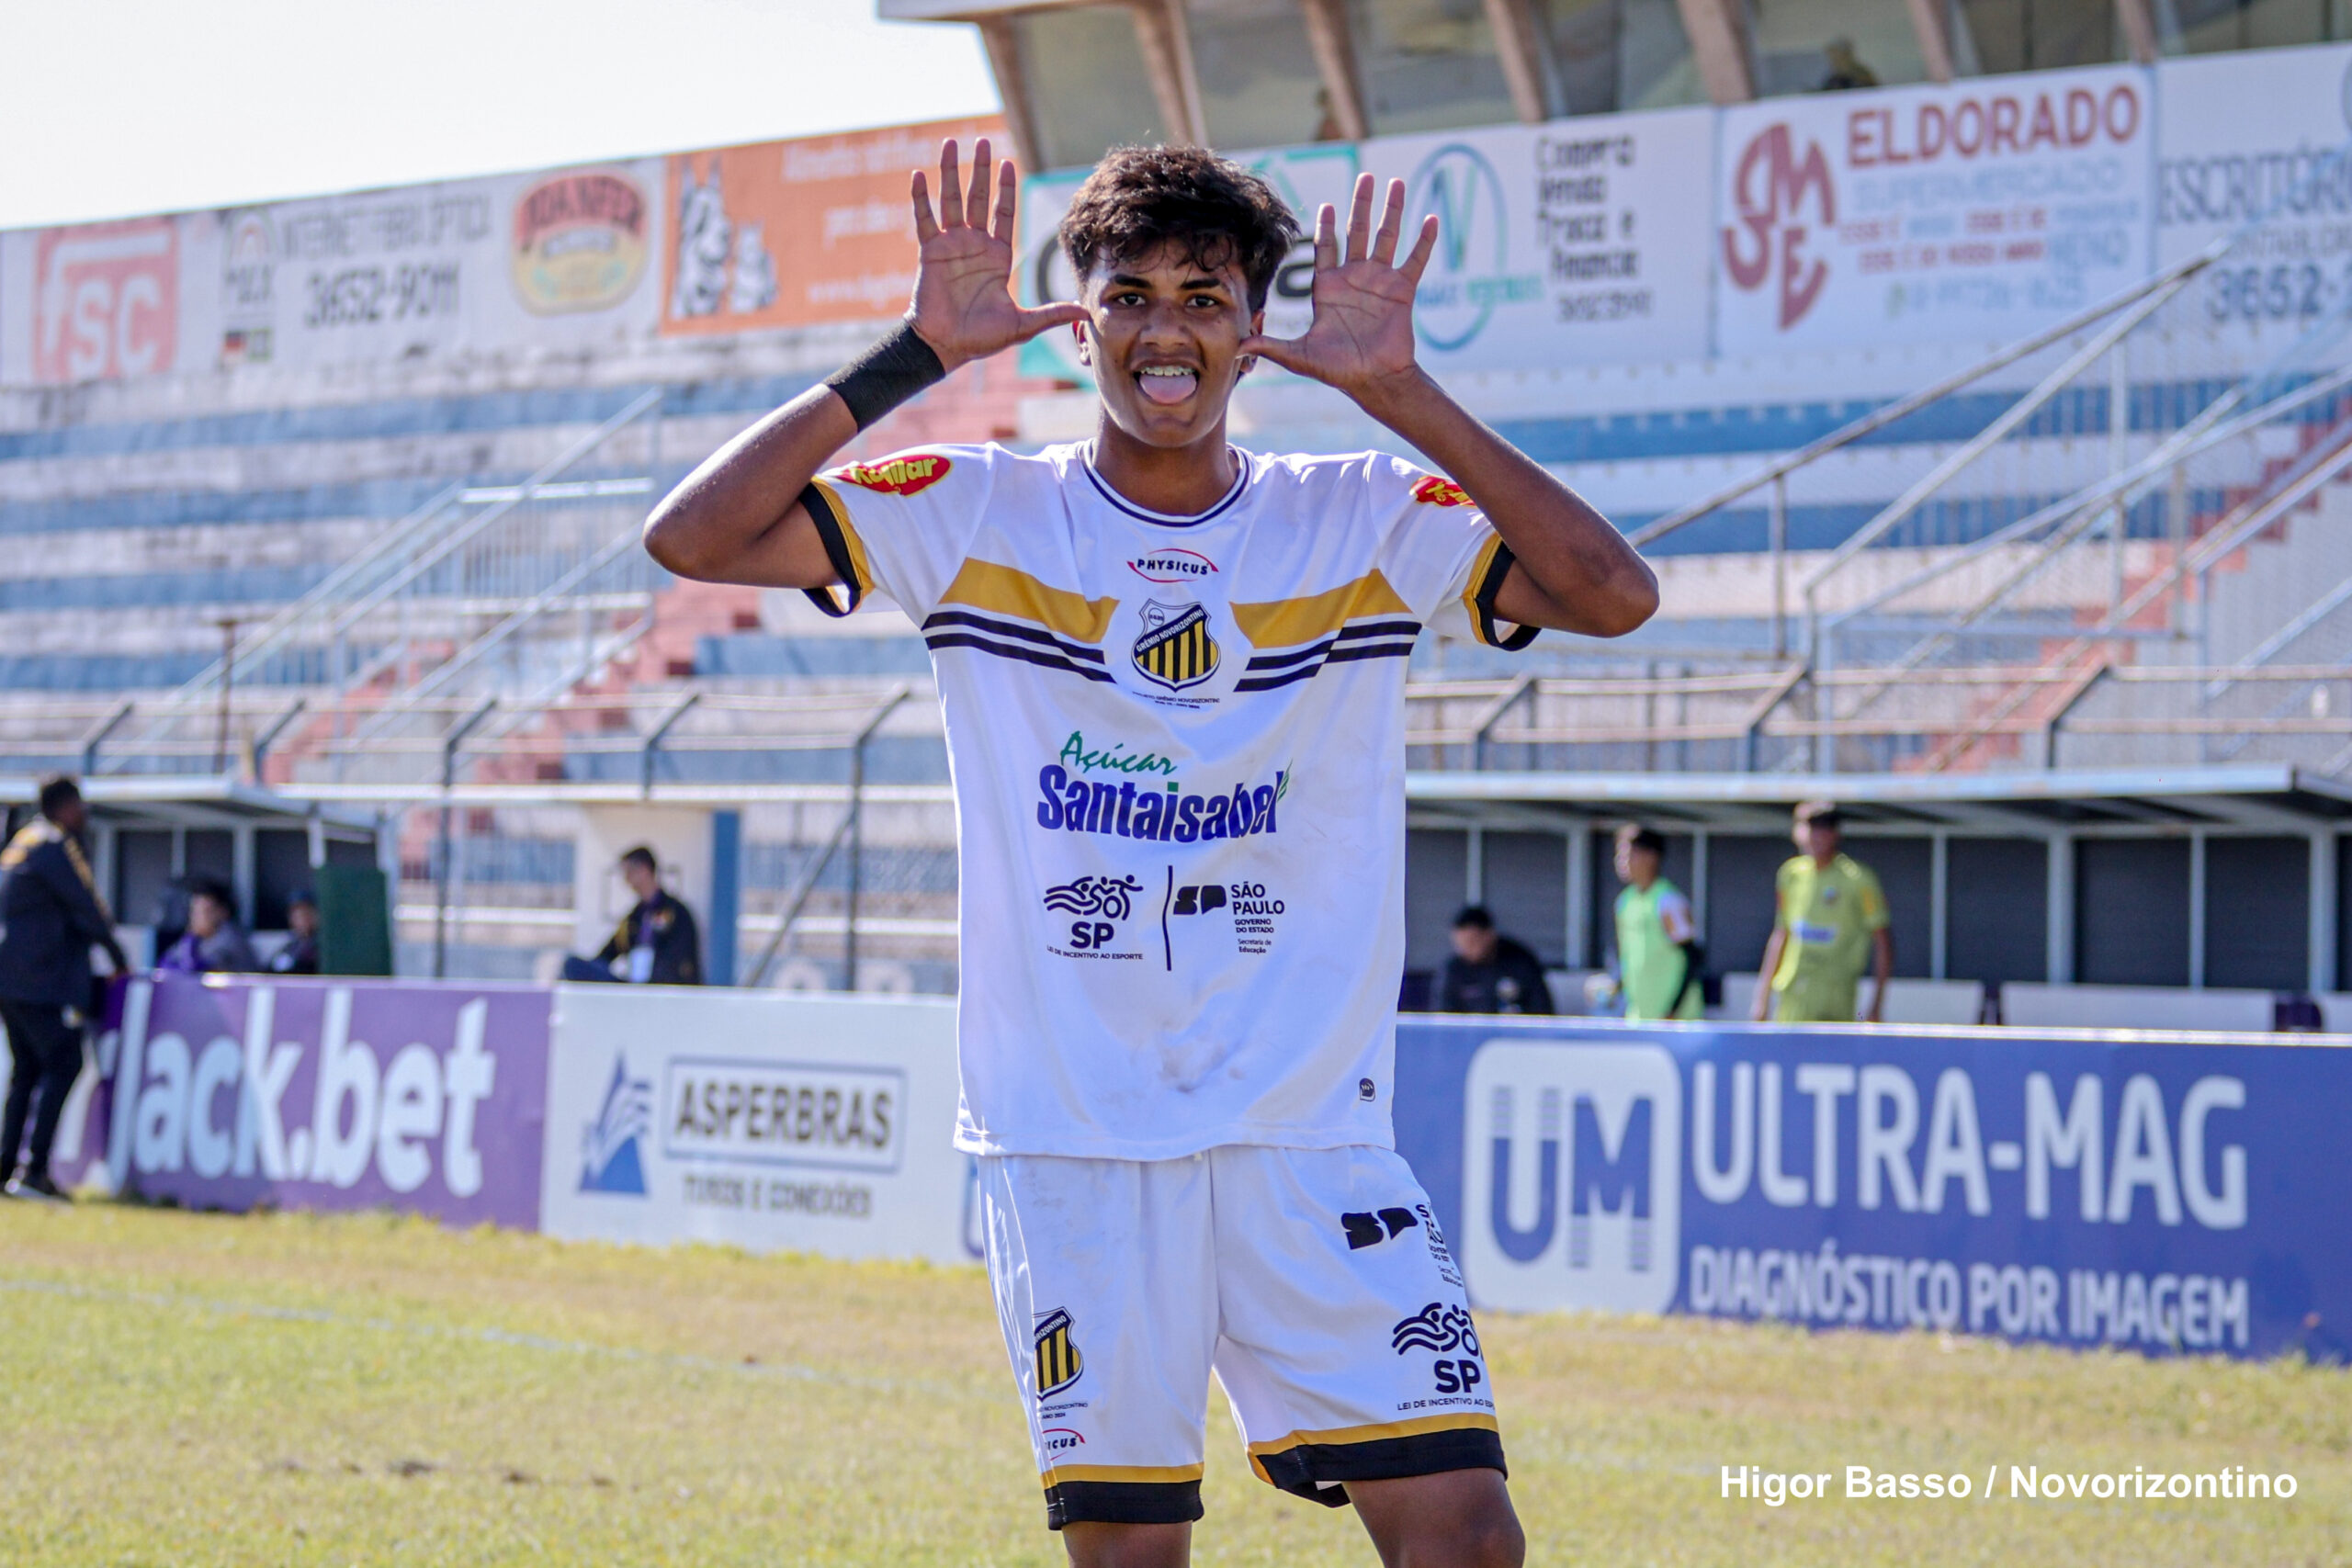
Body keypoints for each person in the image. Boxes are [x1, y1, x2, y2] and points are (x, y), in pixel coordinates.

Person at [644, 139, 1657, 1565]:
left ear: (1253, 327)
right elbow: (691, 536)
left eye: (1204, 293)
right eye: (1130, 294)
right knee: (1132, 1554)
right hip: (1074, 1131)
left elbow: (1615, 593)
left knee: (1471, 1538)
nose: (1166, 328)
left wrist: (1405, 393)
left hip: (1310, 1132)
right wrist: (917, 352)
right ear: (1083, 319)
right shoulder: (975, 507)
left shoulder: (1359, 512)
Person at [0, 776, 129, 1201]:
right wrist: (118, 958)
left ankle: (6, 1170)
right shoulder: (55, 843)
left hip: (11, 977)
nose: (84, 815)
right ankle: (35, 1172)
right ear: (65, 806)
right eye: (79, 805)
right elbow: (87, 906)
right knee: (64, 1059)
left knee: (27, 1070)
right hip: (36, 979)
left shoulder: (23, 838)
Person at [1751, 801, 1893, 1024]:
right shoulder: (1790, 874)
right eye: (1810, 827)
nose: (1816, 836)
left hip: (1836, 995)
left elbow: (1882, 939)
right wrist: (1762, 998)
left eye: (1824, 829)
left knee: (1830, 1057)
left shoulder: (1857, 879)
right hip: (1793, 991)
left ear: (1835, 834)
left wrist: (1876, 1005)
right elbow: (1782, 933)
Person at [565, 846, 702, 985]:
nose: (626, 880)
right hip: (632, 986)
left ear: (644, 870)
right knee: (574, 965)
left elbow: (682, 960)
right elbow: (607, 954)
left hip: (663, 988)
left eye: (629, 872)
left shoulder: (676, 912)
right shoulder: (634, 917)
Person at [1612, 824, 1702, 1021]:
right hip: (1638, 1017)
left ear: (1651, 857)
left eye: (1628, 854)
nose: (1621, 861)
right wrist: (1614, 985)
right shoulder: (1624, 902)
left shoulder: (1668, 900)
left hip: (1674, 1020)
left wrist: (1673, 1009)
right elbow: (1630, 958)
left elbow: (1693, 957)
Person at [1438, 906, 1555, 1015]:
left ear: (1490, 935)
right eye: (1460, 944)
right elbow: (1444, 1016)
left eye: (1472, 942)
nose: (1466, 949)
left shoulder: (1520, 962)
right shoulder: (1453, 969)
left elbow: (1541, 1011)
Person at [156, 881, 260, 975]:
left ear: (223, 912)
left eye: (205, 912)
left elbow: (196, 971)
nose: (198, 918)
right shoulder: (199, 939)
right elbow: (164, 966)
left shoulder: (230, 940)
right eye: (194, 912)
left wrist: (190, 939)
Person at [267, 889, 321, 975]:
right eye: (297, 915)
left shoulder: (321, 947)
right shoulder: (291, 947)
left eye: (306, 913)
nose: (302, 919)